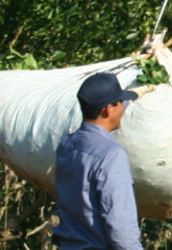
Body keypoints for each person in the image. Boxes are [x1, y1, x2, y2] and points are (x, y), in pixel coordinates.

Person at [53, 72, 144, 250]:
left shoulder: (67, 145)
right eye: (120, 104)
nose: (123, 109)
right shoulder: (111, 155)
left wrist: (139, 92)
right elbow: (121, 232)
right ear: (108, 110)